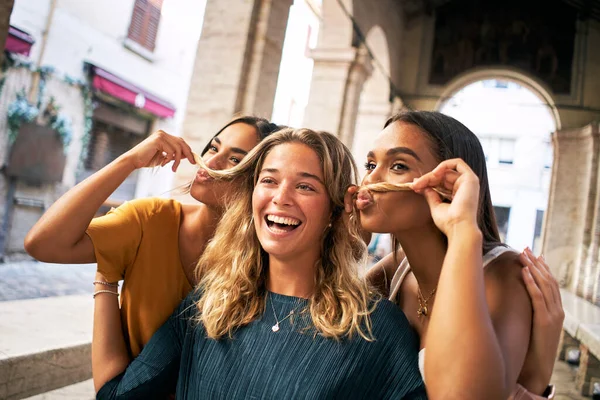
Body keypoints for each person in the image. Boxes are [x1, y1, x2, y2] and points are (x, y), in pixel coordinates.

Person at [93, 128, 427, 399]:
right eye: (269, 180)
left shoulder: (375, 327)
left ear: (334, 211)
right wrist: (106, 281)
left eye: (305, 186)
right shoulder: (208, 304)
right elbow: (116, 396)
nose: (281, 197)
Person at [24, 116, 280, 358]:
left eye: (235, 160)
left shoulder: (266, 257)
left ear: (261, 181)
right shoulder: (150, 220)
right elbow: (43, 244)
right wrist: (129, 161)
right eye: (213, 148)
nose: (210, 163)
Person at [356, 111, 563, 399]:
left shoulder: (505, 275)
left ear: (448, 186)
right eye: (370, 163)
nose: (369, 179)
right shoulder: (393, 270)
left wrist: (460, 228)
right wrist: (343, 243)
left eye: (398, 165)